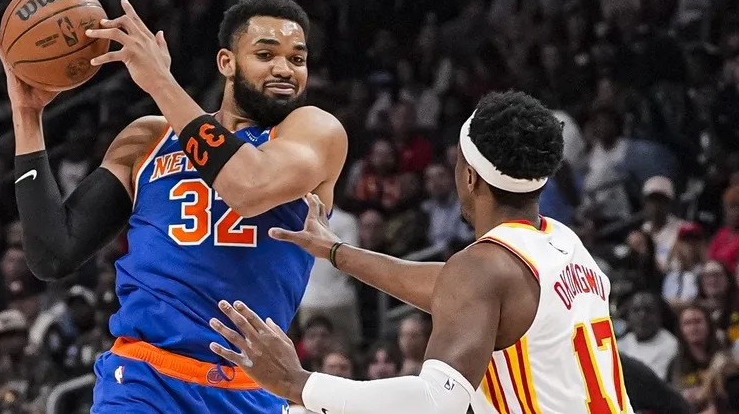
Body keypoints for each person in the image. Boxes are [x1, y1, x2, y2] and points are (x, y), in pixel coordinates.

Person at [0, 0, 347, 413]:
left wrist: (160, 81)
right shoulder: (148, 138)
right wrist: (27, 115)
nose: (284, 69)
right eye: (266, 54)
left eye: (297, 58)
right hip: (143, 381)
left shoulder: (313, 131)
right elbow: (53, 255)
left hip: (249, 387)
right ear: (227, 63)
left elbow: (248, 187)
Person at [208, 91, 635, 413]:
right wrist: (336, 251)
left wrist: (298, 382)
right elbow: (449, 286)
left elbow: (435, 402)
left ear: (469, 177)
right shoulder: (562, 243)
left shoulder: (485, 269)